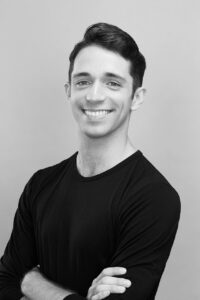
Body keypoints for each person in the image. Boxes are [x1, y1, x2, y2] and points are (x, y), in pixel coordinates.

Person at [0, 22, 181, 300]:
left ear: (136, 97)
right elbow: (5, 280)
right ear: (69, 91)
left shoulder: (154, 197)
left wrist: (31, 283)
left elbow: (18, 277)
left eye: (112, 83)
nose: (95, 96)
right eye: (83, 81)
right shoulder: (41, 184)